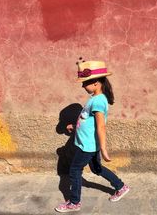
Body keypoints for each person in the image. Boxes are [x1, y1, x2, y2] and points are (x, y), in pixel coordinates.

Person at [55, 60, 130, 213]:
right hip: (88, 143)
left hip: (87, 146)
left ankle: (74, 202)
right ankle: (121, 186)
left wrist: (103, 148)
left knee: (74, 171)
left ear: (95, 83)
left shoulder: (98, 101)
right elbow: (88, 122)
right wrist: (74, 128)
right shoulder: (96, 99)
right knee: (97, 169)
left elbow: (101, 126)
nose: (83, 86)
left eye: (85, 83)